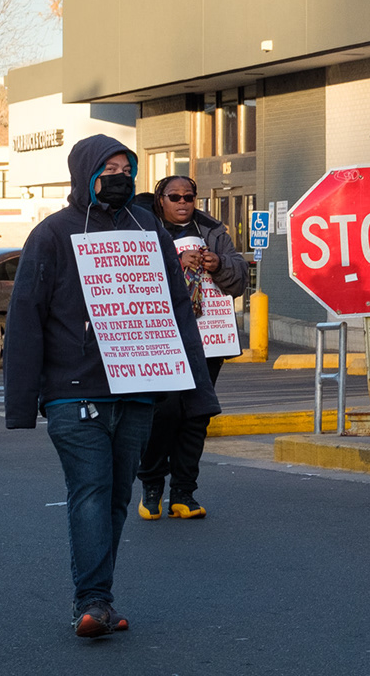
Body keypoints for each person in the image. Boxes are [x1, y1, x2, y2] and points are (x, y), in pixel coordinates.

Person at [4, 135, 218, 640]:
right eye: (109, 168)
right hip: (73, 392)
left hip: (137, 392)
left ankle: (98, 595)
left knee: (119, 495)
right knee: (92, 492)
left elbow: (177, 314)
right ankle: (94, 601)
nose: (120, 176)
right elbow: (25, 319)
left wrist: (195, 389)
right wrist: (21, 402)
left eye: (127, 167)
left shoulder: (149, 230)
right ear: (85, 173)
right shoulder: (53, 234)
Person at [136, 174, 247, 522]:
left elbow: (240, 278)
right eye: (175, 197)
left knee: (196, 415)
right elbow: (134, 279)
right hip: (161, 339)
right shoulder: (143, 230)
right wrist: (175, 264)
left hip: (206, 340)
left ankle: (184, 493)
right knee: (165, 413)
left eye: (189, 196)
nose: (183, 202)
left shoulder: (213, 231)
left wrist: (220, 264)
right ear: (161, 200)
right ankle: (152, 485)